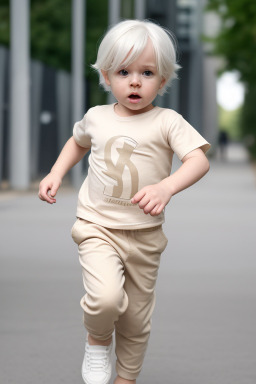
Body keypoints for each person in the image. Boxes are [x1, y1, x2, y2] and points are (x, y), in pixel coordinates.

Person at [39, 19, 210, 384]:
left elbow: (198, 160)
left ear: (162, 80)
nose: (135, 81)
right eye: (124, 71)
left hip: (145, 237)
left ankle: (126, 378)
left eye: (147, 72)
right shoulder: (96, 118)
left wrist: (166, 187)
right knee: (105, 299)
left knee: (136, 319)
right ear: (106, 76)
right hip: (97, 227)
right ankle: (97, 340)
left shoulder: (168, 121)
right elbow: (77, 142)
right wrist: (56, 172)